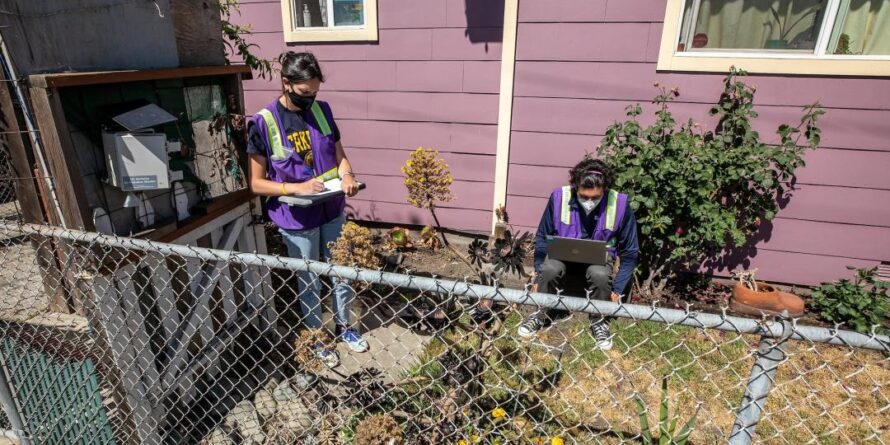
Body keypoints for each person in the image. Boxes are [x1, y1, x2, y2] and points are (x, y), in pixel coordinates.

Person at [247, 51, 368, 367]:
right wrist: (295, 187)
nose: (310, 98)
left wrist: (348, 175)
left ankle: (345, 328)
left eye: (315, 92)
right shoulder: (264, 122)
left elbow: (340, 157)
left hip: (332, 210)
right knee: (310, 280)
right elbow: (257, 184)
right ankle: (316, 339)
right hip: (297, 219)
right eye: (304, 93)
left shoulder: (323, 111)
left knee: (340, 272)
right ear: (286, 83)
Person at [517, 158, 639, 350]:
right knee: (550, 268)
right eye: (584, 196)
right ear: (575, 187)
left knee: (599, 274)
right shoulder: (559, 197)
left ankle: (599, 320)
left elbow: (630, 252)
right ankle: (541, 313)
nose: (589, 202)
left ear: (605, 190)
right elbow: (542, 237)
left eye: (595, 198)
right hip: (562, 253)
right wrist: (537, 276)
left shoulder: (620, 204)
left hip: (600, 257)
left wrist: (617, 289)